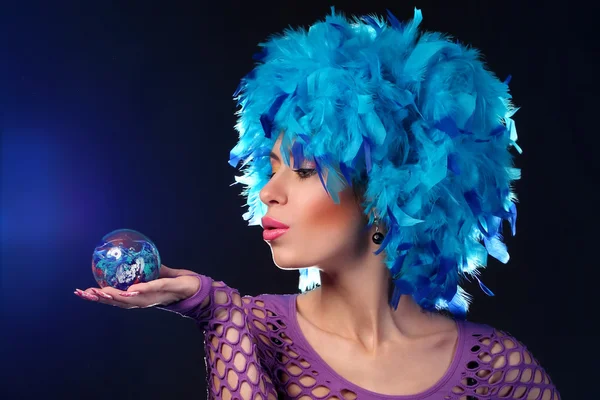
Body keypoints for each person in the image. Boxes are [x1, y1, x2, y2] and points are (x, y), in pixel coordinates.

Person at [75, 8, 561, 400]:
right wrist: (218, 310)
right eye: (272, 168)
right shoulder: (255, 330)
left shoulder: (497, 369)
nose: (268, 191)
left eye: (304, 170)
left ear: (385, 194)